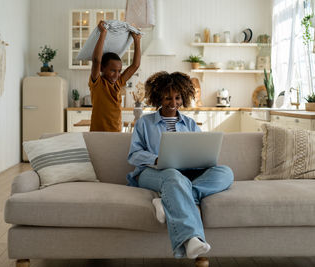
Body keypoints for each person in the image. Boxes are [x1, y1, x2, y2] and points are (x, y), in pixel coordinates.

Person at [126, 71, 234, 259]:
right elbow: (133, 155)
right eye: (168, 98)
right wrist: (156, 159)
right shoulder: (145, 123)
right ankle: (192, 238)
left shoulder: (190, 123)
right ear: (159, 97)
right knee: (173, 176)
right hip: (153, 173)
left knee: (225, 172)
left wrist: (202, 159)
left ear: (183, 97)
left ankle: (167, 200)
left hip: (186, 174)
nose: (173, 102)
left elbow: (201, 148)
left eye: (177, 98)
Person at [89, 20, 141, 132]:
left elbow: (135, 65)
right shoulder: (97, 83)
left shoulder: (118, 82)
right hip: (97, 133)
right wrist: (103, 33)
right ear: (102, 68)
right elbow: (96, 60)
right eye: (112, 70)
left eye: (119, 71)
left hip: (116, 131)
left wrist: (136, 40)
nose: (117, 75)